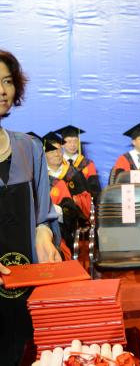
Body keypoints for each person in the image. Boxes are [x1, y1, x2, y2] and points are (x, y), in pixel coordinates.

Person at [0, 50, 62, 365]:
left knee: (25, 351)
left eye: (7, 81)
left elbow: (43, 214)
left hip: (25, 285)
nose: (2, 90)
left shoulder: (29, 147)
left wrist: (43, 233)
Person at [43, 131, 92, 224]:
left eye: (59, 150)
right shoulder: (41, 176)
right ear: (44, 154)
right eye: (52, 151)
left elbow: (86, 202)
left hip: (74, 223)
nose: (57, 154)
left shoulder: (74, 174)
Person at [54, 125, 101, 199]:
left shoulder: (88, 164)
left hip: (84, 202)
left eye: (75, 141)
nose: (72, 145)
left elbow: (95, 190)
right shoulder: (56, 164)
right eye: (69, 141)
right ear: (62, 144)